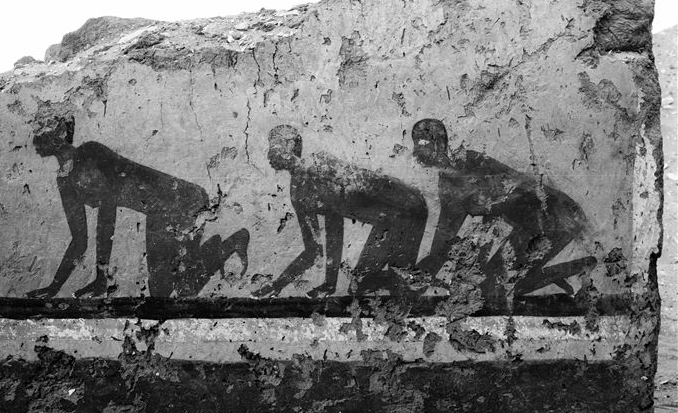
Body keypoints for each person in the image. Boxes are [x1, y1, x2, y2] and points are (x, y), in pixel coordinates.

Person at [26, 113, 250, 299]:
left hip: (182, 200)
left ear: (62, 132)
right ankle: (225, 247)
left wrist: (102, 277)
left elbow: (107, 215)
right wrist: (54, 288)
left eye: (42, 128)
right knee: (172, 292)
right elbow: (79, 240)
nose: (35, 136)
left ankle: (223, 248)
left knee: (167, 297)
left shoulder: (89, 152)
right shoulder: (65, 180)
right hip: (159, 211)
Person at [410, 118, 596, 302]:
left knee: (493, 288)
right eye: (416, 144)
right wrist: (419, 278)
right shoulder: (450, 184)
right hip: (536, 223)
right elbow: (444, 242)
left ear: (440, 143)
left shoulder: (468, 162)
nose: (416, 151)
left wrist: (422, 278)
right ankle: (549, 274)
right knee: (490, 287)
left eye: (422, 143)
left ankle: (576, 267)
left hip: (555, 217)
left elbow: (511, 193)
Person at [253, 125, 428, 298]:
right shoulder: (299, 193)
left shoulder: (319, 164)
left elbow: (362, 192)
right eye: (272, 146)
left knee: (384, 285)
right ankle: (409, 280)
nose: (270, 154)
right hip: (390, 219)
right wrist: (282, 285)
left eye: (277, 145)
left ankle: (416, 279)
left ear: (294, 146)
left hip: (409, 207)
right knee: (361, 286)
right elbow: (320, 244)